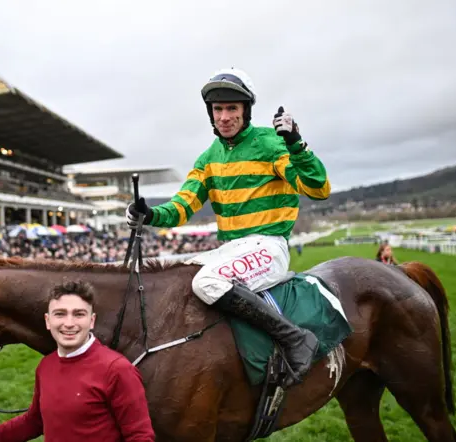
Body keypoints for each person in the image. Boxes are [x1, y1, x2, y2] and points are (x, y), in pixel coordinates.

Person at [126, 68, 331, 386]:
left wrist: (295, 143)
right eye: (218, 109)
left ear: (245, 110)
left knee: (206, 282)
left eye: (231, 108)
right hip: (231, 248)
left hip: (268, 245)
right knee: (173, 273)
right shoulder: (208, 158)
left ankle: (295, 339)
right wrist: (149, 213)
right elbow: (182, 206)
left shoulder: (271, 143)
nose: (224, 116)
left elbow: (318, 188)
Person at [0, 281, 155, 442]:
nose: (69, 323)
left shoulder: (117, 370)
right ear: (48, 321)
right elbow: (34, 422)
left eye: (79, 314)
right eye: (60, 314)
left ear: (91, 321)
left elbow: (140, 437)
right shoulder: (46, 366)